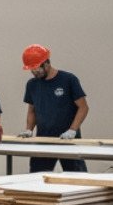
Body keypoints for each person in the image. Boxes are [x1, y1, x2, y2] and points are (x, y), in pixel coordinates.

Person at [19, 44, 88, 174]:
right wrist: (29, 130)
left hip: (68, 139)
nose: (34, 72)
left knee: (77, 177)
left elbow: (83, 107)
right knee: (37, 177)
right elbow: (32, 110)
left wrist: (72, 130)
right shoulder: (32, 84)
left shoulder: (68, 80)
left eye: (36, 69)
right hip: (43, 139)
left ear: (46, 64)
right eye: (31, 70)